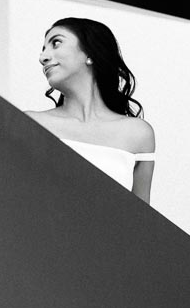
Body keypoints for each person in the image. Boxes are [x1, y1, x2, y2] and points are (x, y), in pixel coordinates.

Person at [26, 17, 154, 203]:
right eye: (43, 49)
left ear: (90, 53)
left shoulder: (138, 134)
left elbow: (144, 223)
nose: (42, 57)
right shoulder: (31, 124)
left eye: (56, 43)